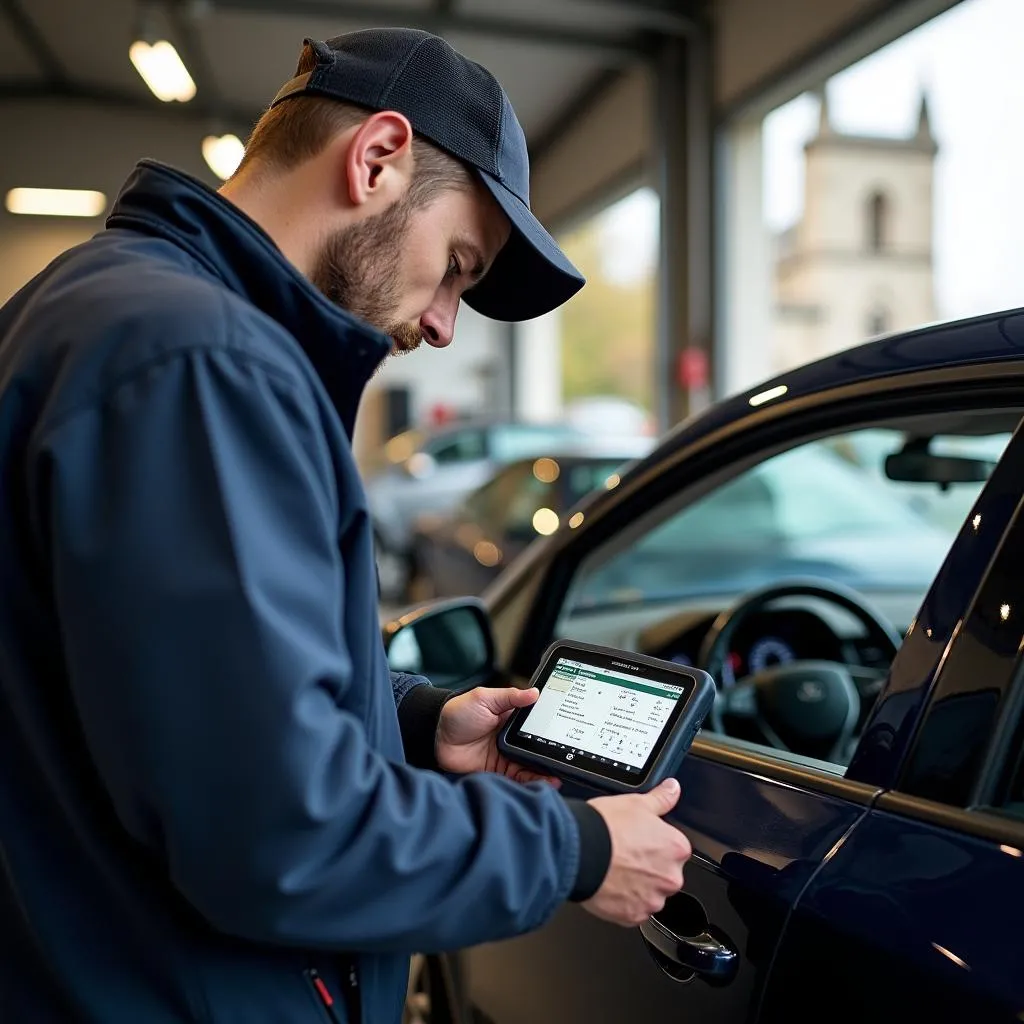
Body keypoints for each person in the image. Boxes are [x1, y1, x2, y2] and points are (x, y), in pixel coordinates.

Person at [0, 27, 693, 1023]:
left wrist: (410, 720)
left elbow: (163, 682)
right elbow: (277, 832)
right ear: (377, 159)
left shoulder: (96, 307)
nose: (446, 322)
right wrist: (575, 851)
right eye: (457, 264)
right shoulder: (202, 363)